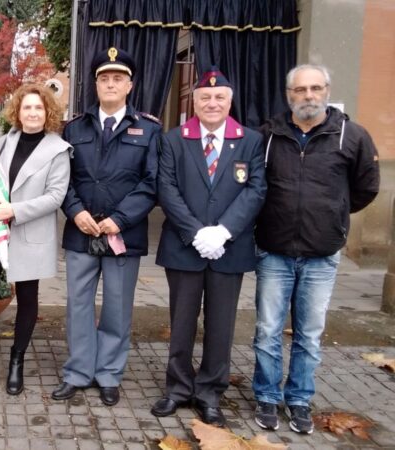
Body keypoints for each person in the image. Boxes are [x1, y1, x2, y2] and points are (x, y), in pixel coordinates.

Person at [252, 64, 379, 434]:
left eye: (316, 88)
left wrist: (334, 214)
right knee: (267, 329)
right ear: (288, 94)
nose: (309, 95)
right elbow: (256, 187)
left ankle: (299, 399)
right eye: (301, 89)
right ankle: (267, 396)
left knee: (308, 334)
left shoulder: (352, 136)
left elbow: (365, 188)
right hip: (274, 249)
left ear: (327, 90)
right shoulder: (268, 136)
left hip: (322, 254)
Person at [151, 68, 266, 426]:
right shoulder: (174, 140)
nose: (212, 103)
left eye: (219, 98)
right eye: (205, 97)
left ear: (229, 101)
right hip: (185, 247)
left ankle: (211, 392)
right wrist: (197, 232)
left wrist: (224, 232)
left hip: (229, 249)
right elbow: (165, 187)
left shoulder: (250, 140)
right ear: (194, 102)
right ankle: (178, 388)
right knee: (181, 322)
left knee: (221, 325)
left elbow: (256, 189)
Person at [51, 47, 160, 407]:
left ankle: (109, 374)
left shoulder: (148, 130)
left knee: (117, 307)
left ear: (130, 85)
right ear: (95, 84)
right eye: (104, 78)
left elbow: (151, 182)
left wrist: (119, 219)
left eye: (118, 78)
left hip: (122, 235)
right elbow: (61, 178)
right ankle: (79, 372)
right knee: (78, 306)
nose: (110, 84)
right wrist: (74, 210)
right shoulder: (74, 127)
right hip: (81, 232)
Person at [0, 84, 71, 396]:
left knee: (28, 299)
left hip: (27, 231)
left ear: (48, 113)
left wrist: (14, 210)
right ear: (17, 112)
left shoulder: (58, 150)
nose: (32, 113)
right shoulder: (5, 141)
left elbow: (56, 197)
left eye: (38, 108)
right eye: (26, 107)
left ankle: (17, 362)